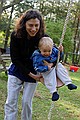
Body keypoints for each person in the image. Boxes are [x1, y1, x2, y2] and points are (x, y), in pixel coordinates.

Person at [4, 9, 49, 120]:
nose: (33, 29)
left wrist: (59, 52)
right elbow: (15, 59)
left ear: (40, 25)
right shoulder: (16, 35)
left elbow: (52, 53)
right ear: (24, 24)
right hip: (17, 70)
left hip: (34, 71)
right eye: (30, 25)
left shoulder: (43, 37)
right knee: (11, 102)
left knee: (26, 103)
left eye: (36, 25)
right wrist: (32, 75)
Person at [31, 37, 77, 101]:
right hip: (46, 69)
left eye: (49, 51)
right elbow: (37, 67)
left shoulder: (54, 50)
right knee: (49, 77)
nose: (47, 53)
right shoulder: (37, 56)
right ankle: (53, 92)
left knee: (61, 68)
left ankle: (68, 83)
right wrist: (46, 68)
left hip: (55, 64)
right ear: (39, 48)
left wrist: (60, 52)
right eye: (44, 51)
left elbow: (59, 57)